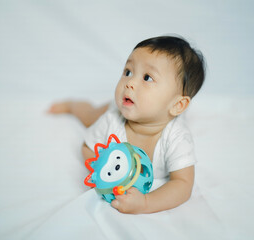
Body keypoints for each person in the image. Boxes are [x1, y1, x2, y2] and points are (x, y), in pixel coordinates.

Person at [49, 36, 205, 214]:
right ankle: (72, 105)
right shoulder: (113, 118)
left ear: (177, 105)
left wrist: (146, 203)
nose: (129, 83)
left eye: (147, 77)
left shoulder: (177, 136)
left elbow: (183, 184)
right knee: (89, 115)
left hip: (150, 109)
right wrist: (100, 168)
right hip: (119, 107)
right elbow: (87, 146)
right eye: (128, 72)